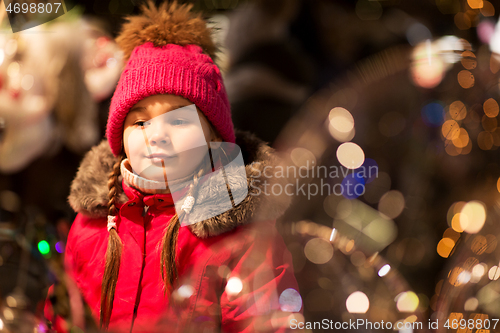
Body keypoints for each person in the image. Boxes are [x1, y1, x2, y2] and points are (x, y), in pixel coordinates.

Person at [45, 1, 301, 332]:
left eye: (179, 120)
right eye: (139, 122)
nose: (157, 135)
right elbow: (67, 317)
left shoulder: (244, 238)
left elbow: (269, 324)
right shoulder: (91, 225)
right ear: (118, 135)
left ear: (213, 136)